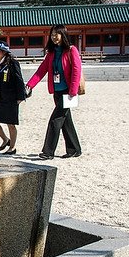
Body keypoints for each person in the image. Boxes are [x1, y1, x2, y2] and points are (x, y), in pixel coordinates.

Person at [26, 24, 83, 160]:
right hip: (57, 92)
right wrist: (29, 85)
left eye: (56, 34)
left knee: (55, 120)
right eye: (52, 34)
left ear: (63, 35)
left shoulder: (71, 50)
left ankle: (48, 151)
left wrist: (73, 91)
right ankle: (74, 149)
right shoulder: (51, 53)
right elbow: (41, 71)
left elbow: (77, 70)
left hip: (67, 92)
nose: (54, 37)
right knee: (65, 121)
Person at [0, 41, 26, 155]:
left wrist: (20, 96)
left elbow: (19, 80)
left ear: (3, 52)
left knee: (10, 123)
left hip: (11, 97)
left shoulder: (12, 63)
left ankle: (12, 147)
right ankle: (5, 139)